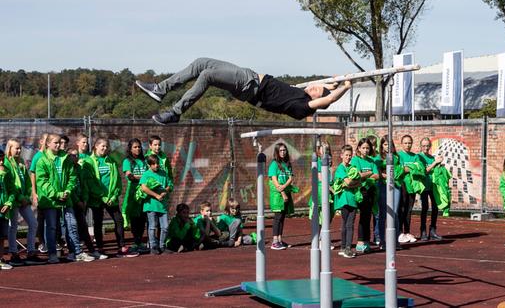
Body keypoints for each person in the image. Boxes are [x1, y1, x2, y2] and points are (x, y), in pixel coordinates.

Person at [135, 58, 352, 124]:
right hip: (248, 78)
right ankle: (160, 89)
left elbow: (328, 99)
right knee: (201, 63)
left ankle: (175, 112)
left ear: (317, 99)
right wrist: (334, 83)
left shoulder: (300, 106)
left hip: (249, 85)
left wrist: (345, 87)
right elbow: (326, 90)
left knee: (207, 76)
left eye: (316, 89)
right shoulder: (302, 93)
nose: (313, 86)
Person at [36, 134, 95, 263]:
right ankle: (52, 254)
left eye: (59, 143)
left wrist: (67, 191)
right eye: (55, 143)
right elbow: (42, 181)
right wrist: (57, 194)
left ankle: (76, 252)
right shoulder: (42, 160)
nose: (58, 145)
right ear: (48, 144)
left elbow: (72, 176)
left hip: (66, 199)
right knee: (52, 227)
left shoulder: (66, 158)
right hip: (51, 201)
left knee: (72, 225)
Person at [81, 138, 137, 258]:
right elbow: (90, 183)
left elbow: (117, 180)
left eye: (106, 147)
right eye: (102, 146)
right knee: (98, 222)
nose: (105, 148)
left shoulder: (111, 161)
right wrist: (102, 196)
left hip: (112, 198)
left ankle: (121, 247)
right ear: (96, 146)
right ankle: (100, 248)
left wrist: (114, 195)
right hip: (97, 199)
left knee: (119, 220)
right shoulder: (88, 162)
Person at [5, 139, 45, 265]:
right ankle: (13, 253)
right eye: (16, 148)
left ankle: (31, 252)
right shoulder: (6, 163)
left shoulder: (21, 162)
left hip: (23, 200)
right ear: (9, 149)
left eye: (19, 148)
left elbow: (27, 181)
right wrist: (18, 197)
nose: (18, 150)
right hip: (13, 201)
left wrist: (28, 196)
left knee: (33, 223)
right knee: (13, 227)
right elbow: (10, 184)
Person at [67, 148, 108, 260]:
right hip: (70, 202)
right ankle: (72, 252)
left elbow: (84, 185)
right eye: (72, 155)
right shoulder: (67, 169)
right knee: (71, 227)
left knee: (83, 227)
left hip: (81, 202)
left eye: (76, 155)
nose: (75, 158)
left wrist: (84, 199)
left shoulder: (80, 168)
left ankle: (92, 251)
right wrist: (77, 201)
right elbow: (69, 187)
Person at [140, 154, 173, 255]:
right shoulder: (146, 174)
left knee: (165, 226)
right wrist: (156, 195)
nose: (156, 165)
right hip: (151, 205)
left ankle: (162, 246)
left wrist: (165, 192)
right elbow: (143, 188)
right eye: (153, 164)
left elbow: (169, 185)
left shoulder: (163, 173)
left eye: (157, 163)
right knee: (152, 226)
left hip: (162, 205)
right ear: (149, 165)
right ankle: (153, 246)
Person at [351, 138, 379, 254]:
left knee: (368, 217)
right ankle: (360, 242)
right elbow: (357, 175)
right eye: (363, 148)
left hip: (370, 191)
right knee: (361, 217)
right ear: (359, 148)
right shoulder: (355, 160)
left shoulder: (372, 161)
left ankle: (367, 241)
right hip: (360, 191)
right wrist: (369, 173)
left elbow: (377, 175)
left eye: (368, 148)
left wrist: (366, 176)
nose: (366, 150)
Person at [121, 138, 149, 254]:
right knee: (134, 218)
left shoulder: (144, 160)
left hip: (144, 192)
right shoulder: (127, 161)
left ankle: (140, 242)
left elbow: (150, 174)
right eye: (135, 147)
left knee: (143, 217)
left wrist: (143, 178)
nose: (138, 149)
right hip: (133, 193)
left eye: (139, 147)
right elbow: (130, 176)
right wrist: (143, 177)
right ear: (130, 148)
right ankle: (136, 241)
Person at [333, 145, 361, 258]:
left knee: (348, 224)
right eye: (346, 155)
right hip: (344, 200)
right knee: (348, 224)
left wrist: (351, 183)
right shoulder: (340, 169)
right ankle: (347, 248)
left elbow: (358, 182)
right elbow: (349, 182)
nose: (348, 157)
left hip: (353, 199)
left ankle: (344, 247)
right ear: (341, 156)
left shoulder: (353, 167)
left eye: (350, 155)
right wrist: (351, 183)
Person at [268, 143, 296, 250]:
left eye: (284, 150)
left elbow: (290, 177)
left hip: (285, 192)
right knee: (278, 217)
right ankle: (275, 241)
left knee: (282, 217)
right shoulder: (274, 164)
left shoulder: (287, 164)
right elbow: (275, 181)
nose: (283, 152)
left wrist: (285, 187)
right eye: (280, 150)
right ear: (277, 152)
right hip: (277, 195)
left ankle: (279, 239)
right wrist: (282, 192)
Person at [417, 137, 444, 241]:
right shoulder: (419, 157)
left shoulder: (432, 158)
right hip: (424, 185)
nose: (426, 148)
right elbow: (425, 171)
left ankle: (432, 230)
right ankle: (423, 231)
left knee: (435, 207)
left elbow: (434, 171)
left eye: (427, 145)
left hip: (433, 186)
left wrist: (439, 165)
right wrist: (435, 163)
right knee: (425, 207)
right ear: (420, 146)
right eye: (423, 146)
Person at [0, 149, 15, 270]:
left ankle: (0, 259)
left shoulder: (6, 171)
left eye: (2, 158)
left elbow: (12, 190)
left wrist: (9, 203)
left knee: (2, 236)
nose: (1, 161)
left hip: (4, 211)